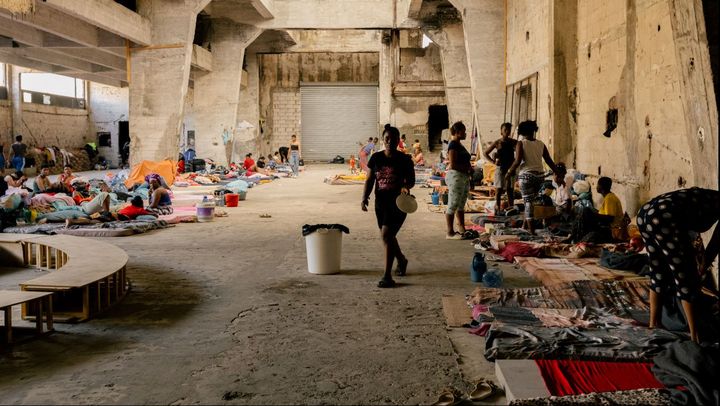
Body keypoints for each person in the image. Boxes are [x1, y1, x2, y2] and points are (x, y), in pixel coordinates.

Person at [638, 188, 720, 343]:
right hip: (662, 217)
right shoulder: (711, 202)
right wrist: (703, 264)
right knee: (686, 277)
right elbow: (716, 243)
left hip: (645, 213)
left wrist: (702, 260)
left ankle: (653, 325)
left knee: (658, 272)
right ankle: (695, 336)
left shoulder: (708, 196)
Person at [361, 124, 415, 288]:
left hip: (399, 204)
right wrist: (364, 197)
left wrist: (406, 187)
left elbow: (411, 181)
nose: (390, 141)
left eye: (393, 139)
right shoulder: (376, 158)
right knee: (389, 236)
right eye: (387, 138)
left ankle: (387, 276)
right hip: (381, 204)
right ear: (383, 140)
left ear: (399, 141)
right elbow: (370, 179)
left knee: (386, 235)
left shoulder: (405, 160)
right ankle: (401, 259)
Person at [505, 120, 559, 234]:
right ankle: (525, 226)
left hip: (526, 176)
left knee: (528, 203)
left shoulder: (521, 143)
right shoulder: (541, 144)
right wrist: (557, 171)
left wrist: (509, 172)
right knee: (531, 202)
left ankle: (532, 231)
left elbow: (518, 161)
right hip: (540, 177)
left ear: (521, 131)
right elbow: (549, 160)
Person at [445, 122, 473, 239]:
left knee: (461, 204)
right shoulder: (453, 145)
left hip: (463, 177)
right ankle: (450, 232)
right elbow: (453, 164)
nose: (465, 133)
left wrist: (469, 170)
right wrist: (467, 168)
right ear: (457, 132)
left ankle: (462, 228)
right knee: (453, 204)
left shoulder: (459, 145)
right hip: (456, 177)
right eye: (463, 131)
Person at [484, 123, 518, 214]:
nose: (507, 132)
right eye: (505, 130)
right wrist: (493, 161)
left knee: (510, 189)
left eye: (509, 130)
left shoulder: (514, 142)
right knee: (498, 189)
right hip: (500, 168)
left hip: (510, 168)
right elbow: (485, 153)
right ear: (501, 131)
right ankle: (497, 208)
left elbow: (519, 153)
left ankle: (511, 208)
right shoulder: (497, 142)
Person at [596, 176, 627, 240]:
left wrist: (594, 216)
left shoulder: (610, 198)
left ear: (601, 186)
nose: (596, 187)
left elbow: (610, 218)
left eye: (597, 184)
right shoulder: (608, 197)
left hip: (612, 230)